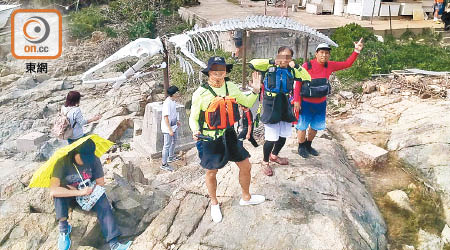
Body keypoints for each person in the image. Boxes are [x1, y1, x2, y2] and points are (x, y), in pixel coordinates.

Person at [189, 56, 265, 223]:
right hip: (210, 138)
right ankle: (214, 203)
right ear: (209, 73)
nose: (218, 74)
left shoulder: (231, 87)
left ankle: (246, 197)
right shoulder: (200, 93)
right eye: (214, 71)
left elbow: (246, 102)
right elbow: (193, 118)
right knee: (211, 172)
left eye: (221, 70)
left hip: (229, 134)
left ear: (225, 72)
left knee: (245, 164)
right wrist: (195, 130)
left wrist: (255, 91)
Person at [50, 139, 131, 250]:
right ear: (76, 152)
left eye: (88, 158)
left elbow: (100, 184)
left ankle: (114, 244)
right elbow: (53, 190)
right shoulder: (62, 162)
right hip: (71, 196)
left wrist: (88, 191)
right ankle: (64, 230)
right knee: (58, 196)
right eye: (83, 158)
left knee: (103, 199)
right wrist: (78, 192)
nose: (86, 162)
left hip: (88, 194)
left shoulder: (94, 160)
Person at [294, 39, 364, 158]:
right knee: (302, 126)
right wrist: (296, 101)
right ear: (316, 53)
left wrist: (356, 51)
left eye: (327, 53)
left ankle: (308, 145)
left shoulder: (330, 65)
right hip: (306, 103)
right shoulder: (307, 65)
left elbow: (347, 64)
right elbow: (298, 83)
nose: (324, 55)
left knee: (315, 127)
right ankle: (301, 147)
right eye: (321, 52)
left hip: (321, 103)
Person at [249, 46, 312, 176]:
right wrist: (271, 62)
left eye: (287, 57)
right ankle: (265, 162)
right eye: (282, 56)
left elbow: (307, 77)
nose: (284, 60)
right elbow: (252, 63)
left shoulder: (292, 70)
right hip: (270, 103)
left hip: (285, 103)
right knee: (271, 138)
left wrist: (297, 66)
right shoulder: (269, 68)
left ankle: (274, 155)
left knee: (283, 135)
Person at [160, 85, 181, 171]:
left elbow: (174, 113)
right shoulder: (167, 103)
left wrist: (177, 121)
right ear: (173, 94)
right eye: (177, 92)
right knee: (166, 145)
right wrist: (169, 130)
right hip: (167, 128)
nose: (178, 93)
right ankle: (164, 164)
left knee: (174, 141)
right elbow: (166, 117)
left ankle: (171, 157)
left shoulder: (173, 101)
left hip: (174, 126)